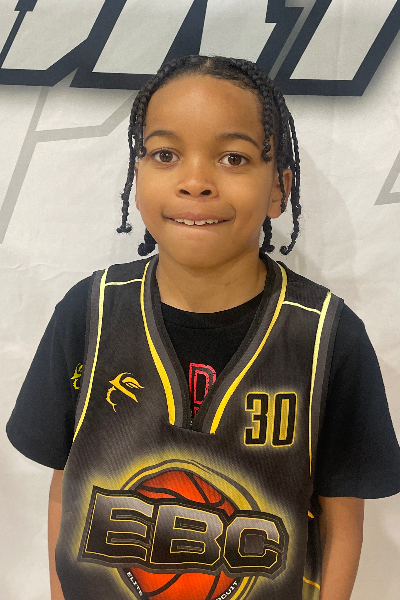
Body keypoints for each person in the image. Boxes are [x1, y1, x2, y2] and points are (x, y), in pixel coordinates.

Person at [6, 55, 400, 600]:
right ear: (136, 174)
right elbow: (65, 488)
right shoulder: (88, 312)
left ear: (279, 189)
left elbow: (342, 522)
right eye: (166, 154)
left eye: (233, 157)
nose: (195, 182)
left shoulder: (327, 337)